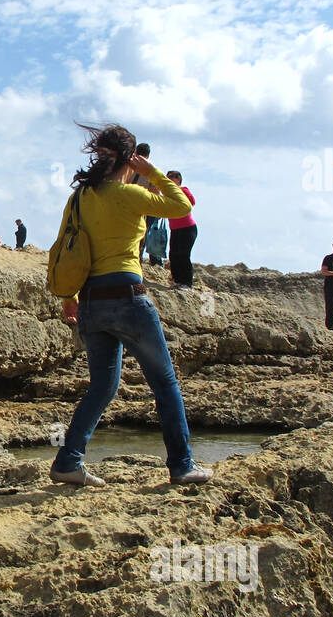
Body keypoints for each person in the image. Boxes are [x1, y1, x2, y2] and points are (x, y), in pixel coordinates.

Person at [51, 123, 212, 488]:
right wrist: (151, 172)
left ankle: (68, 461)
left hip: (91, 303)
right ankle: (182, 465)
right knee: (166, 383)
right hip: (127, 298)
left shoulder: (79, 197)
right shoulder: (127, 194)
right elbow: (182, 205)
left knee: (102, 387)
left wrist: (68, 298)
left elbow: (63, 245)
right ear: (130, 158)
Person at [167, 171, 198, 287]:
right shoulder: (167, 194)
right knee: (173, 255)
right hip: (175, 229)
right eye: (168, 177)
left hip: (187, 228)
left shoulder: (183, 190)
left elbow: (192, 201)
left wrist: (177, 191)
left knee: (183, 255)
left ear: (178, 180)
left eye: (173, 177)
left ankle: (187, 283)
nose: (170, 179)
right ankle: (178, 281)